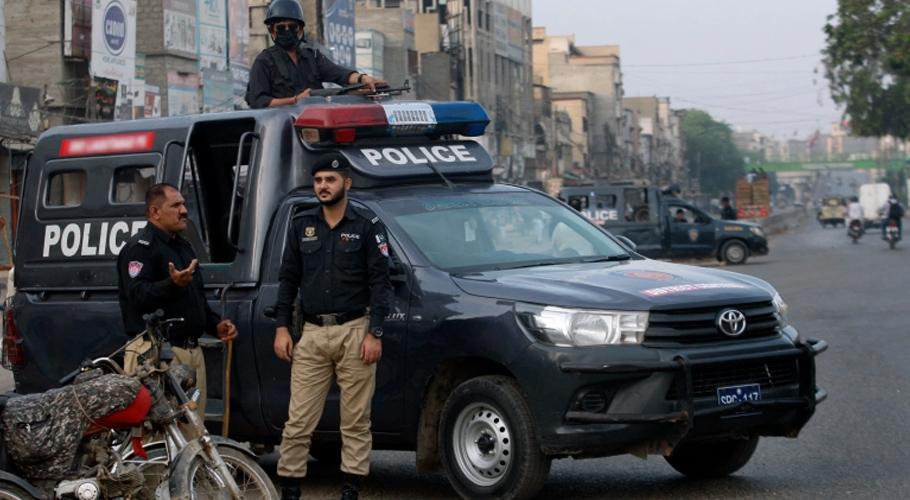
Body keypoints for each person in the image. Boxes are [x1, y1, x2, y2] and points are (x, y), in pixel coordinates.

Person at [273, 153, 392, 500]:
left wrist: (375, 332)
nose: (323, 186)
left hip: (355, 331)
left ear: (347, 184)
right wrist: (282, 328)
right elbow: (287, 280)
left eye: (331, 180)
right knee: (298, 421)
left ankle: (350, 490)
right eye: (319, 180)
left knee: (355, 421)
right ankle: (291, 489)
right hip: (310, 334)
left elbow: (381, 284)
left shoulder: (367, 226)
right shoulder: (302, 225)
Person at [117, 183, 238, 419]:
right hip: (157, 353)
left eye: (183, 204)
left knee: (192, 429)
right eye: (176, 205)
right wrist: (172, 284)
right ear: (155, 212)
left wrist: (215, 326)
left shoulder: (183, 247)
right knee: (161, 431)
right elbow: (137, 296)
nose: (184, 210)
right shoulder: (140, 248)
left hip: (191, 352)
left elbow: (195, 300)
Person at [246, 0, 387, 109]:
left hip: (316, 125)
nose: (287, 31)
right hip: (282, 130)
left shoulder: (312, 56)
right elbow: (259, 102)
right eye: (281, 28)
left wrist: (364, 78)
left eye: (293, 27)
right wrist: (296, 100)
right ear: (272, 32)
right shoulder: (263, 62)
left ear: (300, 29)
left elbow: (339, 73)